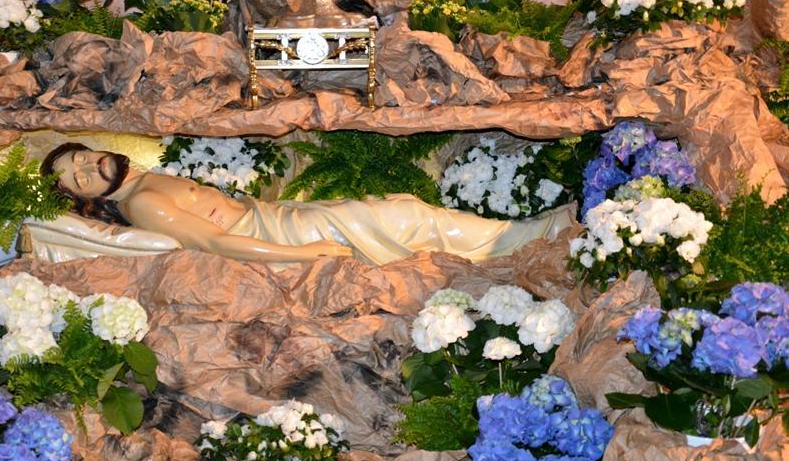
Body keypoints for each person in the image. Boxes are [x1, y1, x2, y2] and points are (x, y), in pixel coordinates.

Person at [40, 143, 574, 265]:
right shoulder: (144, 206)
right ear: (84, 199)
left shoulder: (144, 182)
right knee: (403, 216)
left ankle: (511, 238)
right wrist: (304, 254)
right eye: (77, 180)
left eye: (80, 158)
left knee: (399, 205)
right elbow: (217, 242)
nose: (86, 169)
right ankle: (519, 240)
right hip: (273, 238)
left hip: (272, 218)